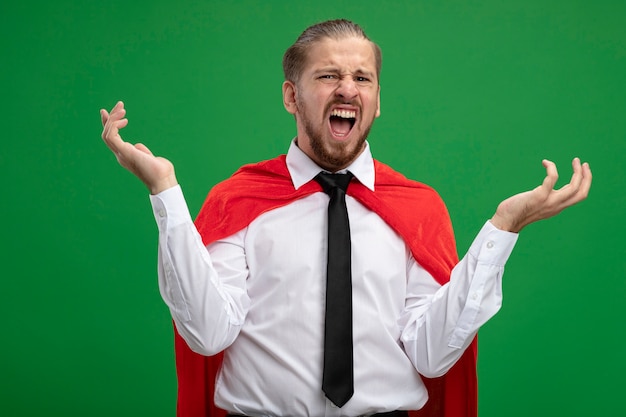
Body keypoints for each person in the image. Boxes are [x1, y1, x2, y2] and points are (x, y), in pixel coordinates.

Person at [100, 19, 591, 417]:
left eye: (362, 78)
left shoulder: (418, 207)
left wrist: (503, 227)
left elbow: (433, 354)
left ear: (378, 101)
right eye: (328, 75)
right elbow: (208, 335)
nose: (347, 90)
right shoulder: (239, 200)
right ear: (292, 97)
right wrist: (164, 191)